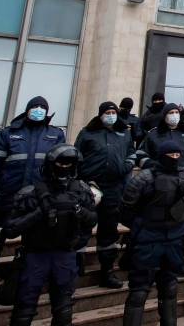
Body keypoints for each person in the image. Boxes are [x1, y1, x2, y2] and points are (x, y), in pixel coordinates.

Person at [0, 97, 65, 313]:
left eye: (43, 108)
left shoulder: (55, 134)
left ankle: (27, 287)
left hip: (40, 198)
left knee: (37, 245)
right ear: (27, 110)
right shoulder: (9, 133)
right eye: (35, 107)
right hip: (8, 197)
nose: (38, 111)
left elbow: (61, 164)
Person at [4, 144, 97, 326]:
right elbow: (10, 228)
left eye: (69, 163)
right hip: (36, 255)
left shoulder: (82, 192)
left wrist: (77, 216)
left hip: (65, 255)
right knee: (25, 305)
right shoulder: (31, 193)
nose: (65, 167)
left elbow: (91, 221)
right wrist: (39, 213)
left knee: (63, 306)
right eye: (61, 163)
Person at [121, 142, 184, 326]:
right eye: (171, 155)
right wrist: (143, 227)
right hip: (148, 242)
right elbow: (126, 210)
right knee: (139, 291)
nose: (174, 159)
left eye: (177, 155)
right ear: (160, 156)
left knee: (169, 289)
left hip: (175, 240)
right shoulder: (144, 177)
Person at [74, 101, 135, 287]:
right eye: (107, 112)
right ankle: (75, 269)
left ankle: (107, 271)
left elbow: (131, 153)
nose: (111, 115)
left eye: (113, 112)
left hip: (113, 188)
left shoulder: (124, 132)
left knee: (109, 230)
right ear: (100, 114)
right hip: (88, 188)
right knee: (81, 228)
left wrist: (126, 167)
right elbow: (76, 156)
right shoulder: (87, 132)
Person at [137, 103, 184, 171]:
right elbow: (140, 155)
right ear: (164, 116)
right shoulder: (153, 134)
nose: (174, 115)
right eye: (171, 113)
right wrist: (154, 167)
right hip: (159, 177)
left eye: (177, 112)